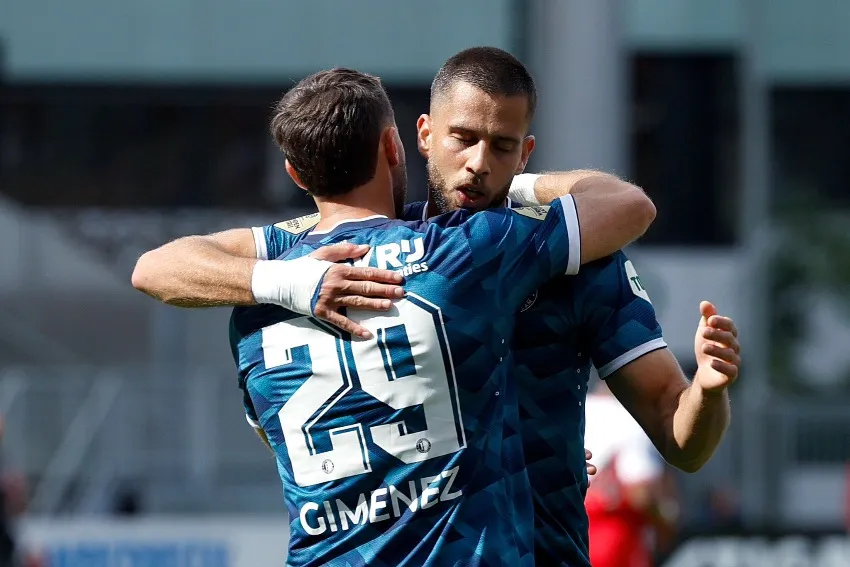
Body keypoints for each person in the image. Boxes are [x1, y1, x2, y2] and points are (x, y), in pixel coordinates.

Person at [132, 47, 739, 566]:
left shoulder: (582, 259)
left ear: (526, 152)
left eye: (503, 148)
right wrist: (294, 284)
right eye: (464, 139)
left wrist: (707, 392)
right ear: (417, 138)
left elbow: (680, 437)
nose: (479, 163)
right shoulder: (350, 256)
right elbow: (159, 266)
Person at [225, 67, 651, 566]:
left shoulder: (252, 307)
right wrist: (517, 182)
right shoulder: (459, 252)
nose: (476, 164)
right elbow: (628, 205)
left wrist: (284, 281)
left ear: (295, 175)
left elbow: (156, 268)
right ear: (397, 144)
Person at [584, 380, 680, 567]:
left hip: (567, 536)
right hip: (614, 540)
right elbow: (640, 492)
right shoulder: (630, 417)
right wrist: (665, 519)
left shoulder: (577, 409)